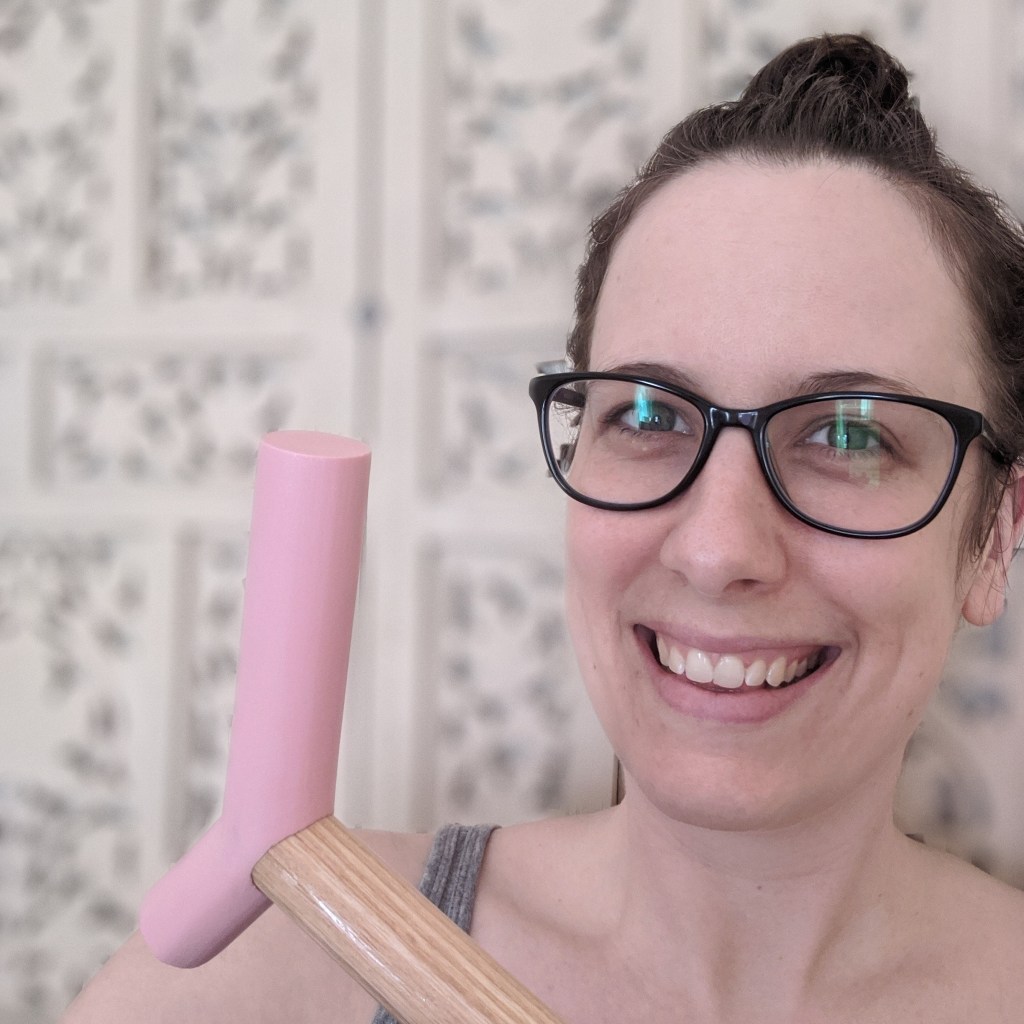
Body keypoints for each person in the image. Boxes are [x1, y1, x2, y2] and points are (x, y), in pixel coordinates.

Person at [65, 32, 1024, 1023]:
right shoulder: (280, 973)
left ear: (995, 534)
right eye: (647, 416)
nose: (717, 549)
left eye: (848, 434)